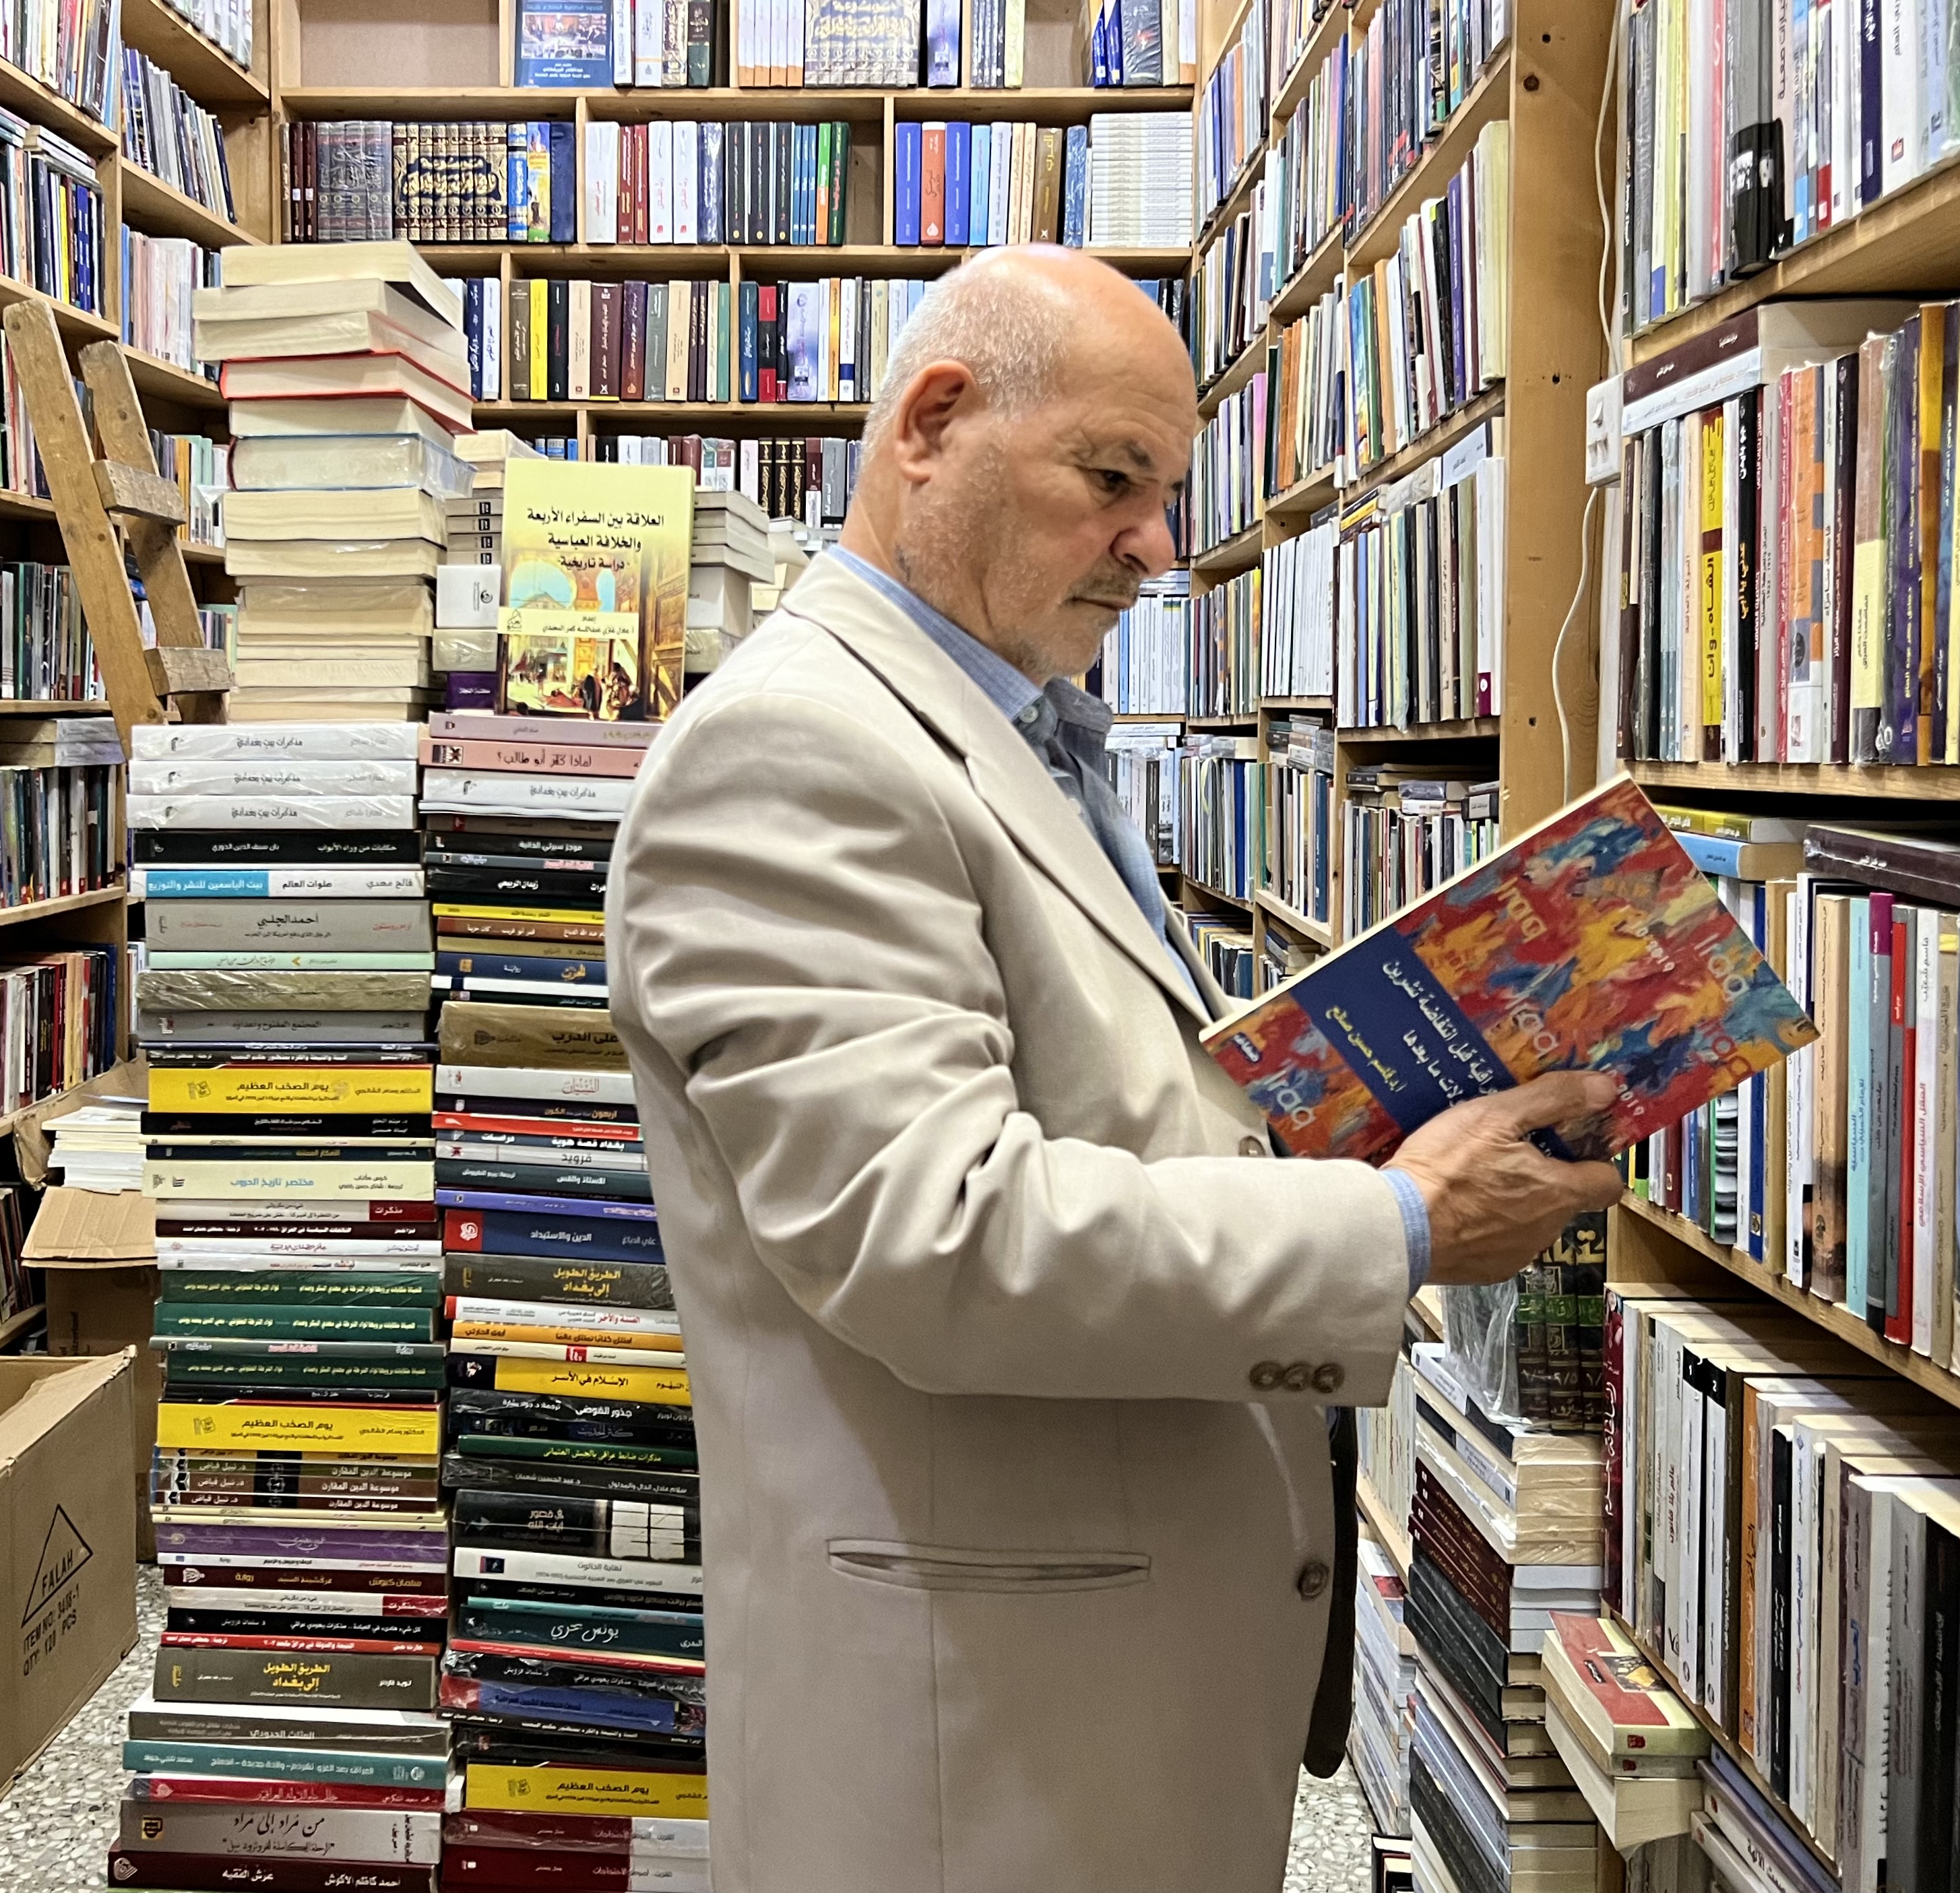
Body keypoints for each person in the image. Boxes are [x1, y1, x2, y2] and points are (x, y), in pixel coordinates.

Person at [604, 247, 1623, 1893]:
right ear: (932, 422)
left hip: (1090, 1675)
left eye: (1167, 492)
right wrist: (1397, 1224)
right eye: (1112, 479)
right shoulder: (794, 746)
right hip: (978, 1735)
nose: (1156, 546)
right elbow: (937, 1231)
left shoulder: (1001, 720)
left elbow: (1086, 1095)